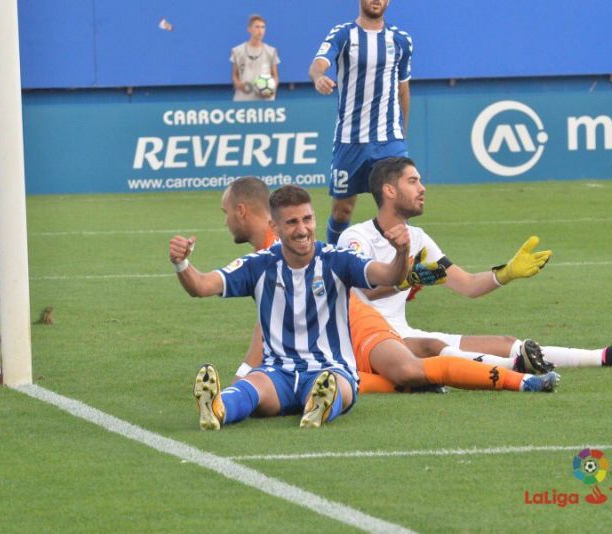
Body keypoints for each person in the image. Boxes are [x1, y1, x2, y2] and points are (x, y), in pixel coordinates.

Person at [220, 176, 559, 396]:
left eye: (225, 213)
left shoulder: (277, 243)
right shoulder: (269, 252)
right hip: (334, 335)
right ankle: (417, 385)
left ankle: (522, 379)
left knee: (412, 367)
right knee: (333, 382)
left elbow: (266, 327)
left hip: (355, 323)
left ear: (241, 212)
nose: (224, 221)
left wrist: (242, 379)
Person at [338, 157, 612, 370]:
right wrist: (406, 280)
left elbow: (468, 286)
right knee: (434, 345)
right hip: (370, 341)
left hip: (402, 333)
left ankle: (609, 356)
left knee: (506, 343)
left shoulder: (417, 237)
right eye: (413, 181)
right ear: (389, 190)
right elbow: (355, 297)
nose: (422, 188)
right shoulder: (356, 237)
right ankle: (518, 368)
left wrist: (506, 274)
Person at [170, 184, 412, 430]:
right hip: (277, 373)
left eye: (307, 219)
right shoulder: (259, 265)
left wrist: (401, 252)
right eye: (292, 222)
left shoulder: (337, 260)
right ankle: (218, 408)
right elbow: (200, 286)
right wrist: (182, 264)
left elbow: (390, 275)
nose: (302, 229)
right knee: (251, 388)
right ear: (274, 227)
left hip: (330, 366)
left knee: (338, 385)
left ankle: (319, 404)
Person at [309, 0, 411, 245]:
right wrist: (319, 77)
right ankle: (334, 264)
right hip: (350, 141)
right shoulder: (344, 34)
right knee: (342, 210)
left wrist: (402, 135)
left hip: (389, 141)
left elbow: (403, 91)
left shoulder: (401, 40)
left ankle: (400, 272)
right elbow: (318, 65)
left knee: (398, 206)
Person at [230, 14, 280, 102]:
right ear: (249, 29)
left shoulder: (271, 51)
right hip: (243, 98)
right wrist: (239, 85)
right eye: (257, 27)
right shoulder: (238, 51)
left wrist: (271, 88)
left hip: (265, 100)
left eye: (263, 27)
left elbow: (275, 76)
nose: (260, 30)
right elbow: (234, 75)